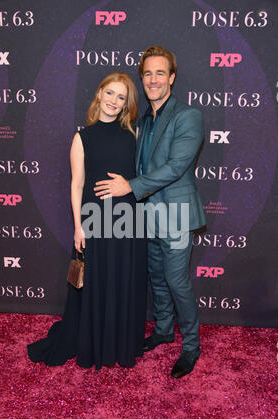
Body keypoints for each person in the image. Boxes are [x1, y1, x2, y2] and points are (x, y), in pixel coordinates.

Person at [94, 46, 206, 378]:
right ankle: (162, 330)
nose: (153, 79)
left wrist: (130, 186)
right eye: (147, 74)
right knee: (157, 279)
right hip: (147, 216)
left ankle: (191, 346)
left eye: (160, 73)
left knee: (175, 280)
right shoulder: (142, 120)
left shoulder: (188, 116)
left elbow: (175, 167)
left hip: (175, 213)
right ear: (141, 79)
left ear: (171, 78)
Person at [27, 72, 147, 370]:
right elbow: (76, 185)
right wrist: (78, 227)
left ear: (126, 104)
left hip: (127, 220)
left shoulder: (133, 134)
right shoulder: (82, 137)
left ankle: (121, 342)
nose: (114, 101)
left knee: (124, 280)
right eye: (110, 93)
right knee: (96, 281)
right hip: (94, 220)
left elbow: (143, 175)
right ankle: (95, 343)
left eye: (121, 97)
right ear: (99, 94)